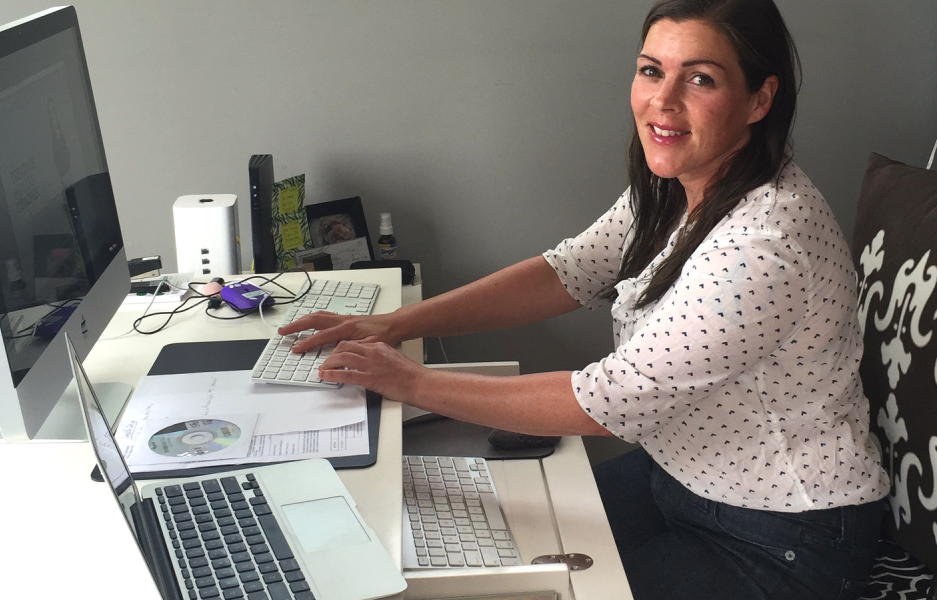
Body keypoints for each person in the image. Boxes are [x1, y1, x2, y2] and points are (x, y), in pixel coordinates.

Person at [279, 0, 890, 597]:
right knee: (488, 549)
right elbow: (567, 272)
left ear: (760, 99)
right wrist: (394, 324)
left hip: (783, 533)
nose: (663, 100)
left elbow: (607, 401)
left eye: (700, 78)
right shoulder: (677, 185)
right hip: (677, 476)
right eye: (651, 70)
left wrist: (410, 382)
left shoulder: (763, 247)